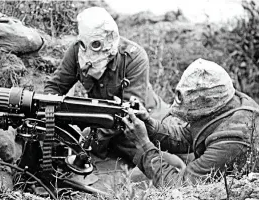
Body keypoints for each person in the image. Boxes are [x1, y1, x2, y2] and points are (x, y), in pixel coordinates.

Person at [122, 58, 259, 187]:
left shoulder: (233, 137)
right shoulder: (229, 102)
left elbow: (179, 188)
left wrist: (143, 144)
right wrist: (150, 126)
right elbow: (190, 136)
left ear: (205, 103)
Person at [44, 7, 169, 161]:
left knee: (156, 164)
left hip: (143, 122)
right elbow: (55, 87)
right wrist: (51, 117)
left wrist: (89, 136)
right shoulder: (76, 51)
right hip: (104, 123)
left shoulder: (134, 57)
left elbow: (129, 113)